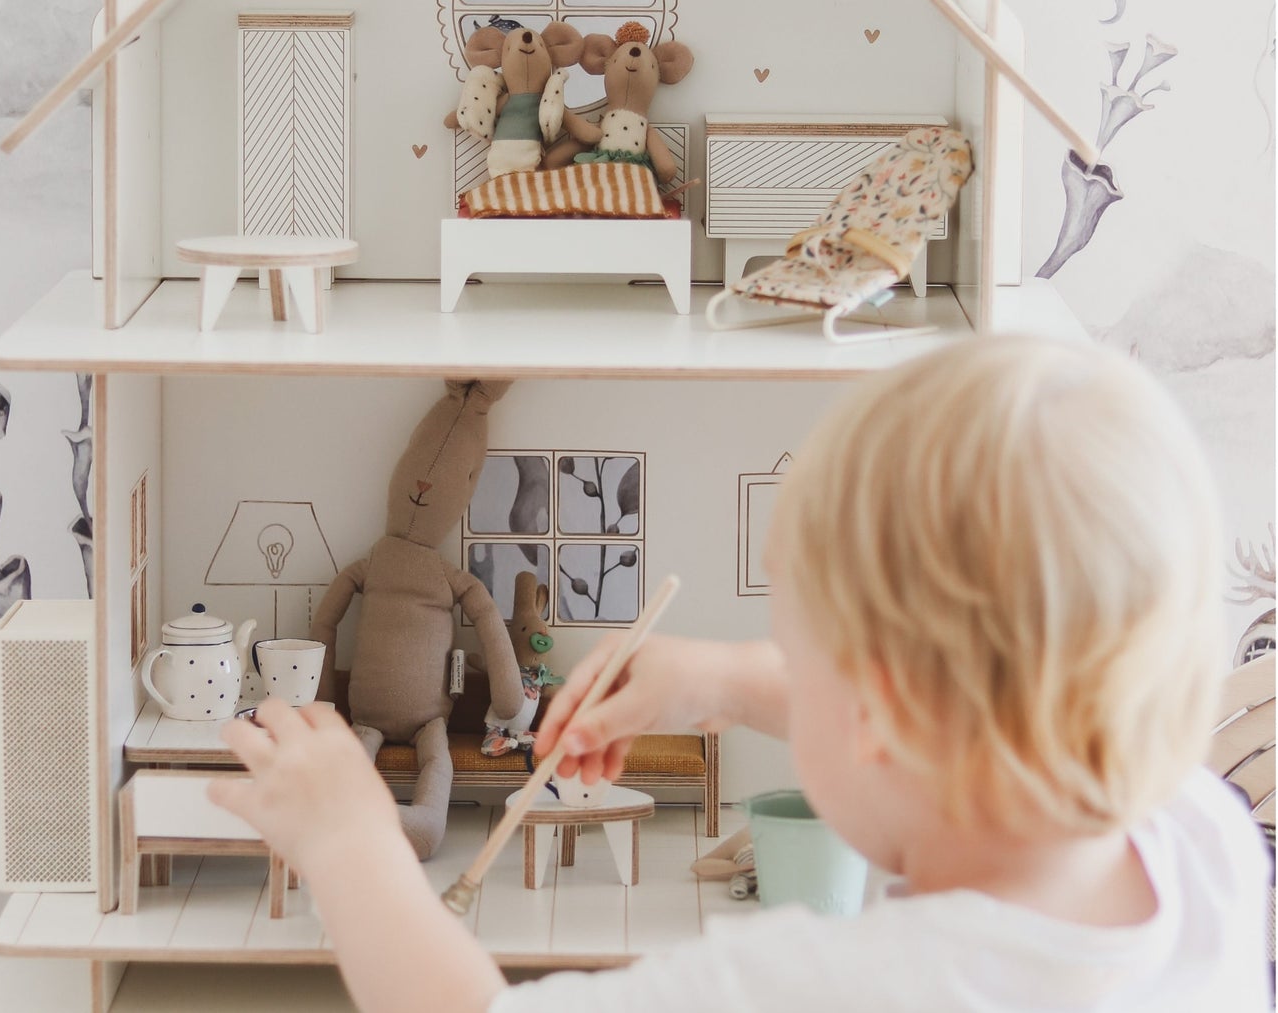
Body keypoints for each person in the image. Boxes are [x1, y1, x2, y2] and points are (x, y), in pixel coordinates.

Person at [212, 336, 1272, 1011]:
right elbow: (988, 708)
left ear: (882, 713)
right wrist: (728, 678)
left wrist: (348, 844)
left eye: (795, 650)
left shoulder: (824, 986)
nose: (781, 671)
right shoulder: (1198, 838)